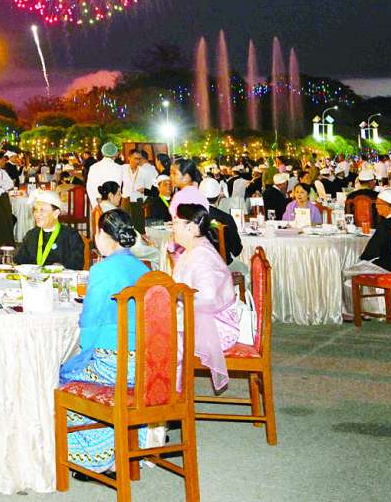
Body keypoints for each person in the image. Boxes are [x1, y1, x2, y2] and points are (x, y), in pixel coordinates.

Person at [59, 209, 150, 472]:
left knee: (61, 376)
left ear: (101, 234)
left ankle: (95, 457)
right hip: (145, 365)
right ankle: (127, 447)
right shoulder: (144, 269)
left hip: (114, 366)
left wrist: (81, 355)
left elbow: (89, 323)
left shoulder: (102, 270)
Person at [170, 203, 241, 393]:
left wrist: (176, 304)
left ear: (191, 228)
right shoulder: (194, 249)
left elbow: (206, 299)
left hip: (216, 327)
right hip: (202, 318)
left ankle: (172, 400)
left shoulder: (201, 256)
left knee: (162, 339)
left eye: (175, 223)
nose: (172, 227)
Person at [14, 188, 85, 268]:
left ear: (56, 213)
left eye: (42, 210)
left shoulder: (71, 235)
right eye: (35, 210)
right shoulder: (31, 235)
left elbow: (77, 263)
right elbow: (19, 261)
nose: (37, 214)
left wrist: (62, 267)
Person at [358, 188, 391, 271]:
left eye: (378, 204)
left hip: (387, 267)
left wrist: (361, 260)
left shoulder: (385, 224)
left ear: (387, 206)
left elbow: (371, 252)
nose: (376, 207)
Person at [85, 142, 126, 208]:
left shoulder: (93, 167)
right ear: (116, 154)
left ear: (103, 153)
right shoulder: (119, 168)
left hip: (97, 203)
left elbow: (89, 187)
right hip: (112, 204)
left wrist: (95, 204)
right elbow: (119, 188)